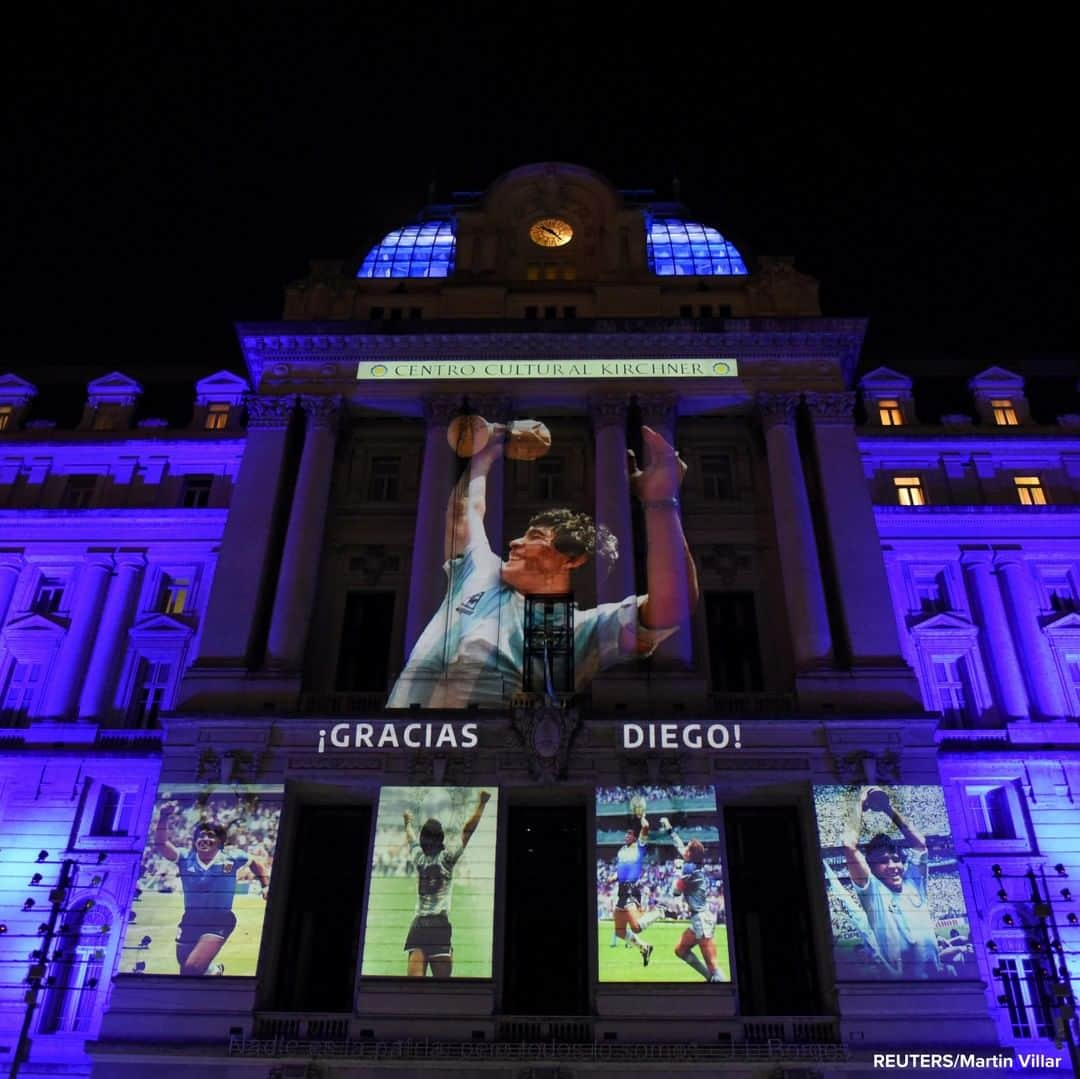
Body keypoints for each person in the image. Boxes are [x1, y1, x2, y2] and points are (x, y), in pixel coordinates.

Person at [387, 423, 699, 708]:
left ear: (572, 559)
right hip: (401, 737)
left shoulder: (579, 628)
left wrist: (661, 502)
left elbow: (672, 605)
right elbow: (462, 513)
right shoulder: (482, 574)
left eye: (535, 537)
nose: (513, 543)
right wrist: (484, 456)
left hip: (494, 757)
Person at [153, 802, 270, 976]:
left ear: (220, 842)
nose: (205, 839)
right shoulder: (185, 857)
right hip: (191, 919)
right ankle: (214, 971)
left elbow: (255, 863)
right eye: (201, 835)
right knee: (185, 967)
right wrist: (163, 817)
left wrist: (265, 885)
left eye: (210, 835)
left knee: (192, 969)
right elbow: (161, 845)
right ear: (194, 841)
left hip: (219, 920)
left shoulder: (232, 857)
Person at [841, 785, 942, 978]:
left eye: (895, 859)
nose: (893, 865)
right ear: (871, 868)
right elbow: (848, 845)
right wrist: (860, 803)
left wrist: (887, 807)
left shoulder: (914, 882)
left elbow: (919, 843)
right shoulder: (873, 892)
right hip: (902, 992)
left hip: (937, 986)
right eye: (882, 862)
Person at [404, 790, 491, 977]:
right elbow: (467, 831)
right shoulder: (447, 858)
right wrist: (482, 804)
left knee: (413, 989)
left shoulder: (419, 857)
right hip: (439, 924)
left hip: (418, 924)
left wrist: (407, 822)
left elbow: (410, 837)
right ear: (441, 838)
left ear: (423, 839)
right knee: (442, 989)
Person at [659, 817, 726, 982]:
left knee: (715, 969)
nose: (684, 850)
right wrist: (670, 830)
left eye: (687, 848)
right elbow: (679, 845)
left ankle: (722, 991)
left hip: (702, 921)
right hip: (699, 920)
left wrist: (677, 870)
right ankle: (709, 979)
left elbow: (675, 892)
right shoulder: (692, 864)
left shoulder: (689, 870)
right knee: (680, 950)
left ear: (690, 854)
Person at [608, 815, 655, 966]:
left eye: (629, 834)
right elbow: (621, 869)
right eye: (626, 834)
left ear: (635, 837)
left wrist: (642, 816)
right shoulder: (622, 851)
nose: (625, 836)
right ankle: (644, 948)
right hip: (621, 891)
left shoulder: (640, 847)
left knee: (635, 927)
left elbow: (646, 827)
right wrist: (614, 877)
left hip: (631, 890)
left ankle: (660, 911)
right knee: (620, 931)